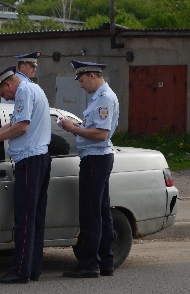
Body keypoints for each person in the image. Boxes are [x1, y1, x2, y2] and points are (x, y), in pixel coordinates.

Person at [0, 65, 51, 284]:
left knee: (24, 218)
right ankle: (33, 268)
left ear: (8, 85)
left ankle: (20, 270)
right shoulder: (33, 89)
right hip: (40, 158)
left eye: (4, 94)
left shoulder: (23, 91)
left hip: (30, 160)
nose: (6, 98)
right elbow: (14, 122)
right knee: (36, 217)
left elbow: (21, 126)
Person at [57, 60, 119, 279]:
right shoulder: (99, 98)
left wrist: (73, 128)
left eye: (82, 80)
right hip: (96, 157)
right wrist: (76, 129)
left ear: (93, 76)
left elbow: (101, 134)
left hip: (96, 159)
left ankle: (90, 264)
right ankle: (105, 261)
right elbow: (95, 130)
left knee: (90, 212)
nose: (81, 86)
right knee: (101, 211)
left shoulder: (104, 99)